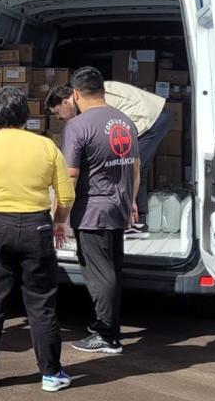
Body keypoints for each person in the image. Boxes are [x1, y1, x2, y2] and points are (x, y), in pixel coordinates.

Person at [0, 85, 74, 393]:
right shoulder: (46, 147)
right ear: (26, 116)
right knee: (41, 303)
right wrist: (59, 221)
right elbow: (66, 194)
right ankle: (51, 374)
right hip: (36, 227)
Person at [59, 67, 139, 355]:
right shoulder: (125, 121)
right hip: (117, 206)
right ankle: (107, 324)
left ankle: (107, 334)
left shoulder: (77, 126)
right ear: (103, 91)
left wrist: (60, 213)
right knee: (113, 269)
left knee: (98, 274)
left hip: (92, 210)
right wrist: (130, 199)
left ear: (76, 94)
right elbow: (135, 167)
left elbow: (70, 175)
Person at [47, 78, 167, 237]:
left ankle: (135, 221)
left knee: (131, 166)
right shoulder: (87, 98)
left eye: (57, 113)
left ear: (65, 102)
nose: (58, 119)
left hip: (151, 117)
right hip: (148, 115)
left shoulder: (91, 101)